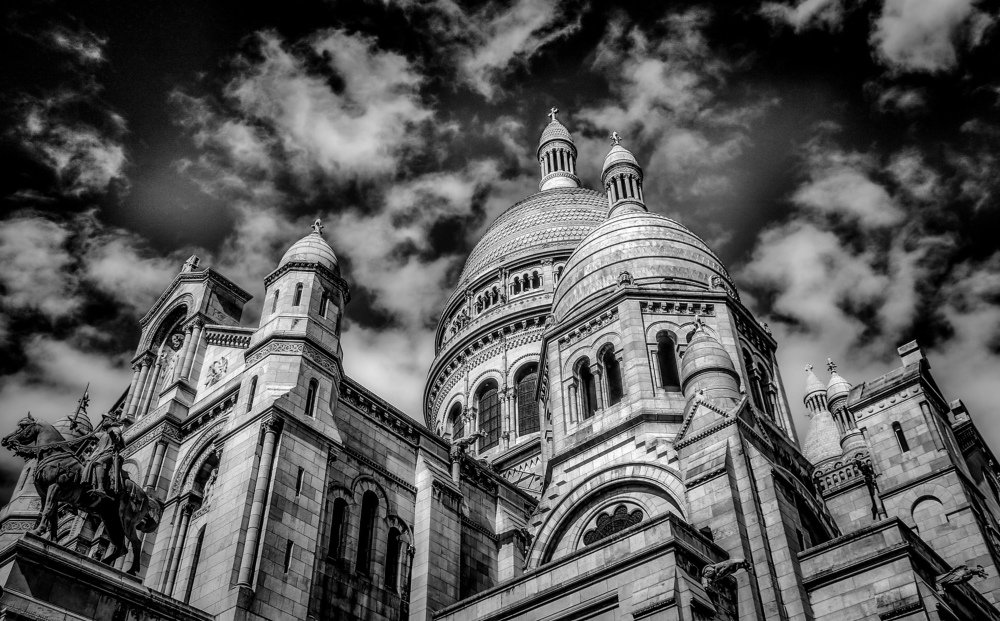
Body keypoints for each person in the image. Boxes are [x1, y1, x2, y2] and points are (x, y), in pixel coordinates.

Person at [82, 414, 127, 501]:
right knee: (88, 463)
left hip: (110, 454)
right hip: (100, 454)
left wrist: (110, 429)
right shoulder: (103, 434)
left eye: (107, 419)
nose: (104, 421)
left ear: (112, 421)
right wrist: (78, 428)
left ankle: (101, 488)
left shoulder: (116, 429)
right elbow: (90, 435)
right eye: (104, 420)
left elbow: (116, 439)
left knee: (99, 462)